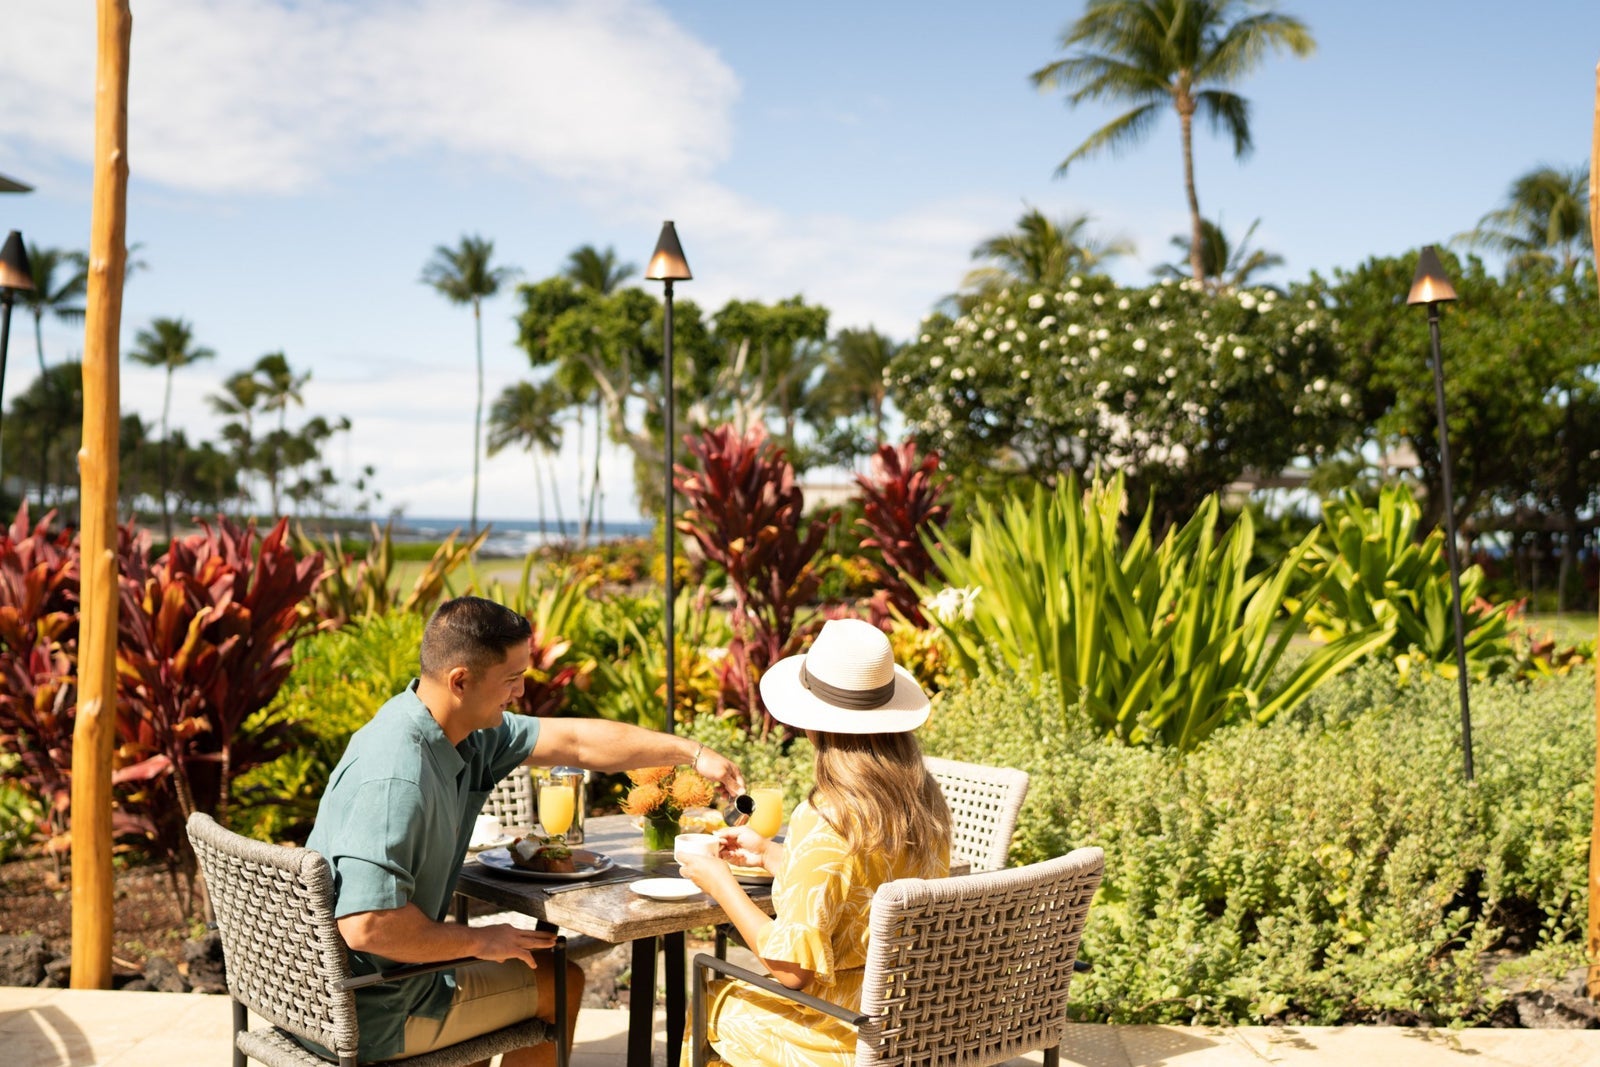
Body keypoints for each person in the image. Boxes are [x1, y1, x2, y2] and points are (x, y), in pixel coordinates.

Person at [302, 595, 745, 1066]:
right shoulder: (399, 777)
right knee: (560, 981)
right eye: (511, 678)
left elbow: (576, 741)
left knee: (514, 965)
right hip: (370, 1009)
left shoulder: (447, 727)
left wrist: (693, 753)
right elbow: (368, 925)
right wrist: (479, 940)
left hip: (334, 992)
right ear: (460, 680)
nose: (519, 692)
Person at [676, 617, 952, 1067]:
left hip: (844, 1030)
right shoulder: (924, 800)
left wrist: (720, 882)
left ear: (813, 723)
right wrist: (772, 855)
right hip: (915, 1019)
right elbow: (863, 886)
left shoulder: (826, 817)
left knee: (713, 1000)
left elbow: (791, 971)